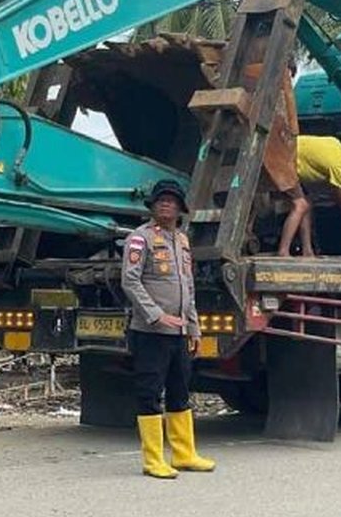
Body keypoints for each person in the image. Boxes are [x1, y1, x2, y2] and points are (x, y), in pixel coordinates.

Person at [121, 179, 215, 479]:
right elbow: (130, 281)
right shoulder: (140, 238)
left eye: (172, 200)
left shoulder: (183, 240)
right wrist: (156, 315)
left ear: (179, 208)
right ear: (153, 205)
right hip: (150, 333)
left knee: (180, 391)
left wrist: (194, 328)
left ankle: (184, 454)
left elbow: (188, 287)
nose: (166, 204)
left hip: (179, 333)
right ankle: (153, 460)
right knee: (150, 393)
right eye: (161, 199)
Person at [278, 135, 341, 257]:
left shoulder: (335, 144)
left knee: (307, 205)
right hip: (284, 161)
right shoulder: (338, 165)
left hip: (285, 150)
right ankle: (283, 251)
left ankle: (307, 251)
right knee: (300, 205)